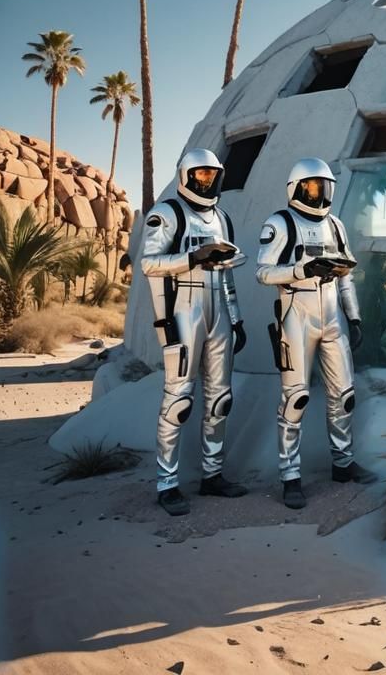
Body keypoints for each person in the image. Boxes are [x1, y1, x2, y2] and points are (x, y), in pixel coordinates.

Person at [256, 157, 377, 510]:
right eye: (311, 186)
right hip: (296, 314)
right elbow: (262, 273)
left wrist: (353, 317)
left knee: (344, 395)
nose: (318, 193)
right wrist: (299, 269)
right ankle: (290, 475)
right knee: (295, 398)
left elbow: (346, 276)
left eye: (323, 187)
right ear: (296, 188)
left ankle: (343, 463)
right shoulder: (281, 223)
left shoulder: (335, 226)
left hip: (332, 316)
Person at [140, 148, 249, 516]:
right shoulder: (168, 213)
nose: (206, 181)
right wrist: (192, 258)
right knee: (179, 400)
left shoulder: (222, 218)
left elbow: (228, 273)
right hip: (184, 309)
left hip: (218, 305)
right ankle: (167, 482)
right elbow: (148, 264)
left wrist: (236, 319)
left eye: (211, 175)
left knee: (220, 399)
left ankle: (212, 475)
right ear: (186, 176)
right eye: (200, 175)